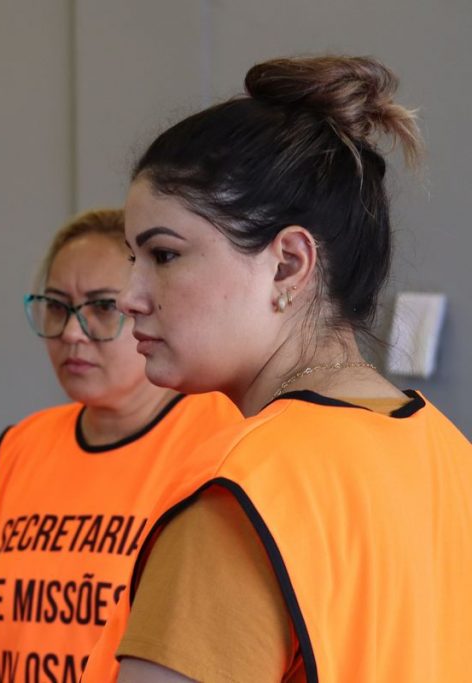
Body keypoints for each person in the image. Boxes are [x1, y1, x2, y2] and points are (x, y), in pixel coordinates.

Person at [81, 56, 472, 682]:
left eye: (164, 255)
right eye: (134, 258)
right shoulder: (453, 459)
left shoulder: (243, 492)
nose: (130, 296)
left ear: (288, 264)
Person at [0, 209, 240, 682]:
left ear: (151, 307)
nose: (71, 332)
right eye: (57, 306)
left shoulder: (222, 440)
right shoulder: (22, 445)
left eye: (103, 307)